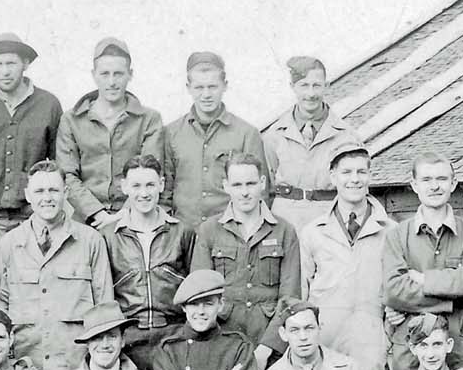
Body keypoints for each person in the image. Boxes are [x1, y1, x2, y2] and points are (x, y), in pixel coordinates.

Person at [0, 159, 114, 370]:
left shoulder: (90, 241)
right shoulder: (9, 244)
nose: (47, 198)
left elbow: (105, 311)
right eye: (39, 191)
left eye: (53, 190)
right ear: (28, 195)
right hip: (24, 368)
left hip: (77, 369)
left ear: (66, 192)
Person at [384, 151, 463, 370]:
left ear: (453, 184)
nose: (435, 186)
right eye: (427, 180)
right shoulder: (396, 236)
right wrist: (455, 299)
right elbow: (394, 291)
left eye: (442, 179)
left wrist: (425, 280)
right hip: (410, 354)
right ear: (414, 185)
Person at [295, 143, 392, 370]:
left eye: (361, 172)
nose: (354, 179)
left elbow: (397, 289)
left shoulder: (391, 231)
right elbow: (300, 294)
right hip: (326, 341)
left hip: (371, 341)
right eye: (346, 172)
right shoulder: (313, 232)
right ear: (333, 176)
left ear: (370, 175)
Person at [0, 33, 64, 241]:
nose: (5, 71)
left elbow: (58, 164)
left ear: (25, 63)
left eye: (11, 63)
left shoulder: (48, 104)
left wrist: (43, 202)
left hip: (34, 216)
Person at [55, 36, 165, 230]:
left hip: (135, 217)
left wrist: (123, 215)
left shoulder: (149, 119)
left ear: (130, 74)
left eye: (119, 74)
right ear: (94, 74)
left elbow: (150, 173)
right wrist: (97, 213)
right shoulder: (71, 120)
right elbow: (67, 175)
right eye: (105, 74)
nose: (112, 82)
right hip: (86, 220)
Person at [193, 152, 300, 347]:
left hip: (270, 340)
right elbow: (201, 296)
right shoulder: (209, 231)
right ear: (226, 186)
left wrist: (268, 347)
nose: (244, 192)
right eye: (237, 185)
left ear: (262, 182)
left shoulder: (284, 231)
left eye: (250, 184)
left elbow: (289, 299)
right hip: (222, 342)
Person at [162, 51, 274, 224]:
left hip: (230, 234)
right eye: (199, 87)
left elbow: (261, 193)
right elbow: (165, 192)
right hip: (185, 234)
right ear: (188, 88)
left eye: (213, 87)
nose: (206, 94)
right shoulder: (171, 133)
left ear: (225, 86)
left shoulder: (246, 134)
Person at [100, 155, 194, 358]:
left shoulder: (182, 232)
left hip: (174, 335)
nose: (143, 193)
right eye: (136, 186)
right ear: (124, 186)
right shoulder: (108, 237)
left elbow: (194, 289)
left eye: (150, 185)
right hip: (129, 338)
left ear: (161, 185)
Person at [264, 56, 363, 233]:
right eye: (304, 85)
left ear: (327, 85)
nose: (310, 93)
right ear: (292, 87)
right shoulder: (275, 135)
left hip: (330, 222)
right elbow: (266, 187)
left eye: (316, 85)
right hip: (286, 222)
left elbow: (357, 189)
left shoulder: (346, 136)